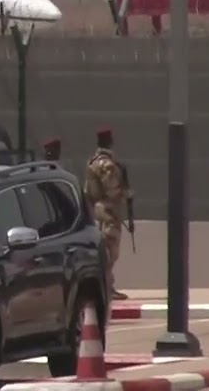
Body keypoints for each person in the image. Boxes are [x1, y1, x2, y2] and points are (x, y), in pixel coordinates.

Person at [85, 127, 131, 302]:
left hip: (97, 209)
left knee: (104, 249)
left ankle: (106, 285)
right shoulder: (107, 165)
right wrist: (126, 193)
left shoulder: (93, 161)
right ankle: (107, 287)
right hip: (108, 210)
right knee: (110, 251)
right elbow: (111, 189)